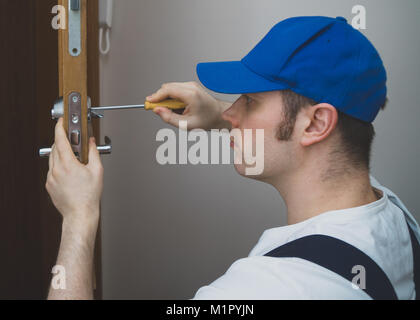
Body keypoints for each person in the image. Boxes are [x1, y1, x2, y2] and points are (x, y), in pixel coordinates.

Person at [46, 16, 419, 300]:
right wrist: (228, 117)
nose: (230, 113)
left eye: (250, 101)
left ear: (317, 123)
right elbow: (298, 137)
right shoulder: (393, 218)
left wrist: (78, 218)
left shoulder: (267, 288)